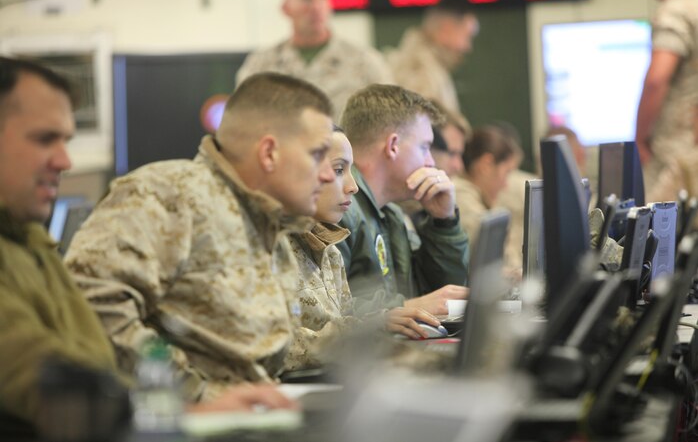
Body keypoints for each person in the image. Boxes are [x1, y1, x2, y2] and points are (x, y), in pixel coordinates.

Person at [0, 58, 297, 432]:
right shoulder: (169, 194)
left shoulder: (27, 243)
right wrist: (189, 410)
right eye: (44, 138)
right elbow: (41, 380)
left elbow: (91, 367)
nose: (64, 161)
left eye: (65, 140)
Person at [65, 72, 336, 402]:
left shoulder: (271, 228)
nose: (326, 174)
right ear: (269, 153)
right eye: (318, 154)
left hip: (252, 419)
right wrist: (196, 397)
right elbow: (89, 306)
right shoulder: (169, 194)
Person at [286, 129, 444, 370]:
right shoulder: (270, 248)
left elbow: (346, 317)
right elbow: (274, 345)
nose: (353, 186)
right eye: (339, 170)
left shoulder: (329, 249)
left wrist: (378, 323)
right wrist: (371, 328)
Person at [337, 84, 469, 317]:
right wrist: (403, 308)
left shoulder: (392, 215)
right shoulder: (340, 209)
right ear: (393, 146)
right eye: (424, 147)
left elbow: (436, 297)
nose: (431, 162)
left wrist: (444, 223)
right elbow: (329, 311)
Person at [235, 0, 392, 120]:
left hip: (344, 151)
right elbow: (244, 121)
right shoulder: (260, 67)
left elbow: (387, 122)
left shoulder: (365, 62)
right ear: (286, 8)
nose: (317, 7)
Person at [635, 0, 698, 189]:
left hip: (679, 155)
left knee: (655, 219)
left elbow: (657, 79)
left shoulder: (679, 9)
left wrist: (640, 138)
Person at [387, 2, 479, 115]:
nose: (468, 47)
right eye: (466, 36)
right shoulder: (421, 70)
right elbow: (419, 125)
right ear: (447, 29)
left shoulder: (431, 66)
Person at [453, 124, 522, 271]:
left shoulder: (477, 198)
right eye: (506, 172)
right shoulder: (460, 195)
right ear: (486, 164)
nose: (505, 185)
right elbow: (497, 255)